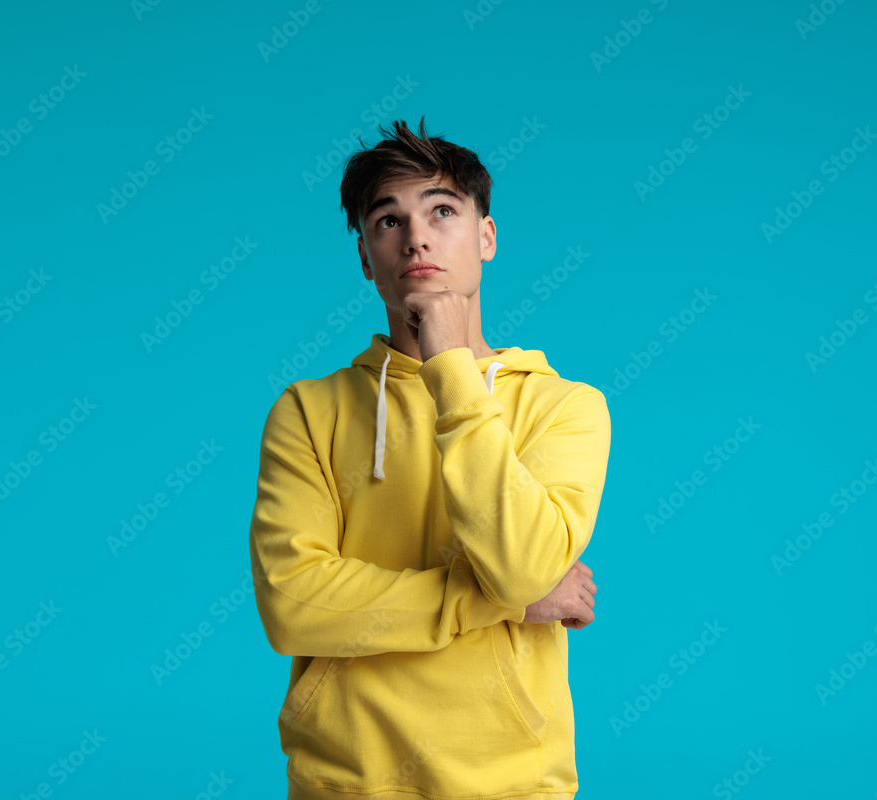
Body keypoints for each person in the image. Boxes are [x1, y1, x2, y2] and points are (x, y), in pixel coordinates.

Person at [249, 116, 611, 800]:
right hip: (342, 784)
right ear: (365, 257)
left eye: (442, 211)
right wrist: (496, 602)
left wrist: (449, 369)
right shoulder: (308, 410)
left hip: (513, 785)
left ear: (486, 237)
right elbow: (292, 603)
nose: (415, 235)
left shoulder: (566, 407)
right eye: (388, 220)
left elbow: (526, 567)